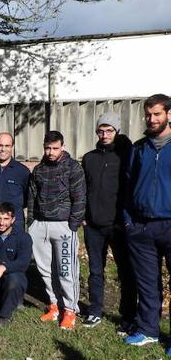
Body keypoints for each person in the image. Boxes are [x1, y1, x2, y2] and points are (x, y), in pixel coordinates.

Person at [123, 94, 171, 349]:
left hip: (169, 223)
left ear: (169, 114)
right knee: (147, 283)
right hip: (141, 227)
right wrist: (129, 221)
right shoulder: (139, 148)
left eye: (157, 114)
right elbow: (129, 185)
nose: (152, 119)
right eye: (148, 114)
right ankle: (148, 329)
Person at [81, 112, 136, 330]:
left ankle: (128, 315)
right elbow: (83, 189)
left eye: (109, 130)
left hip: (118, 225)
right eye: (101, 131)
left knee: (125, 271)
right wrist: (84, 215)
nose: (104, 135)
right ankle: (95, 310)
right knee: (96, 270)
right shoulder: (89, 157)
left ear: (117, 132)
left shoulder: (125, 156)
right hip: (93, 225)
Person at [28, 130, 86, 330]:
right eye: (47, 148)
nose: (51, 152)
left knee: (66, 270)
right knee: (45, 270)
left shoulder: (73, 168)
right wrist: (31, 224)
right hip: (40, 225)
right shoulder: (38, 170)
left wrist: (73, 225)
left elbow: (79, 198)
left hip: (63, 226)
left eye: (55, 148)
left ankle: (70, 309)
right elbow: (32, 197)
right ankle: (54, 305)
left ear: (63, 146)